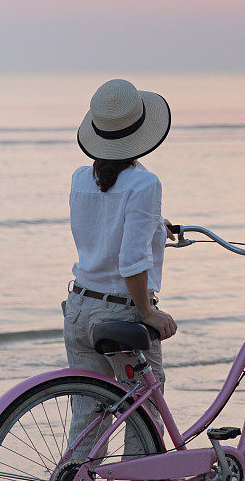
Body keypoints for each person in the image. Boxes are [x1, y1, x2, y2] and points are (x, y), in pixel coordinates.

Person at [64, 79, 177, 460]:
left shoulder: (81, 178)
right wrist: (147, 311)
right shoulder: (144, 182)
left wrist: (159, 227)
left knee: (89, 412)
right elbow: (130, 260)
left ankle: (76, 472)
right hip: (120, 312)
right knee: (144, 407)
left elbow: (103, 230)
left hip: (79, 307)